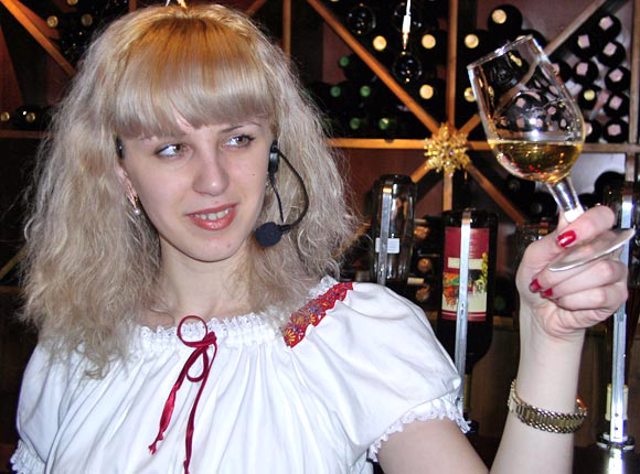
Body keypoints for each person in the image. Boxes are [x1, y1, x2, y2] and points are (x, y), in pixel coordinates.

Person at [11, 3, 628, 474]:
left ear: (273, 150)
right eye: (171, 149)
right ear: (121, 171)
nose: (214, 179)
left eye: (238, 138)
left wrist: (551, 341)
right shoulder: (74, 353)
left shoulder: (350, 337)